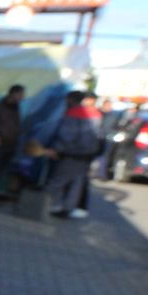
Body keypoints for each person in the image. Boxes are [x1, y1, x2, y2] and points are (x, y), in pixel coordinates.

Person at [43, 89, 104, 219]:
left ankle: (54, 205)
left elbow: (66, 136)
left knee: (57, 181)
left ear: (70, 99)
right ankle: (68, 208)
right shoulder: (95, 113)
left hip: (71, 153)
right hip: (87, 155)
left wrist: (56, 149)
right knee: (77, 182)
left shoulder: (73, 113)